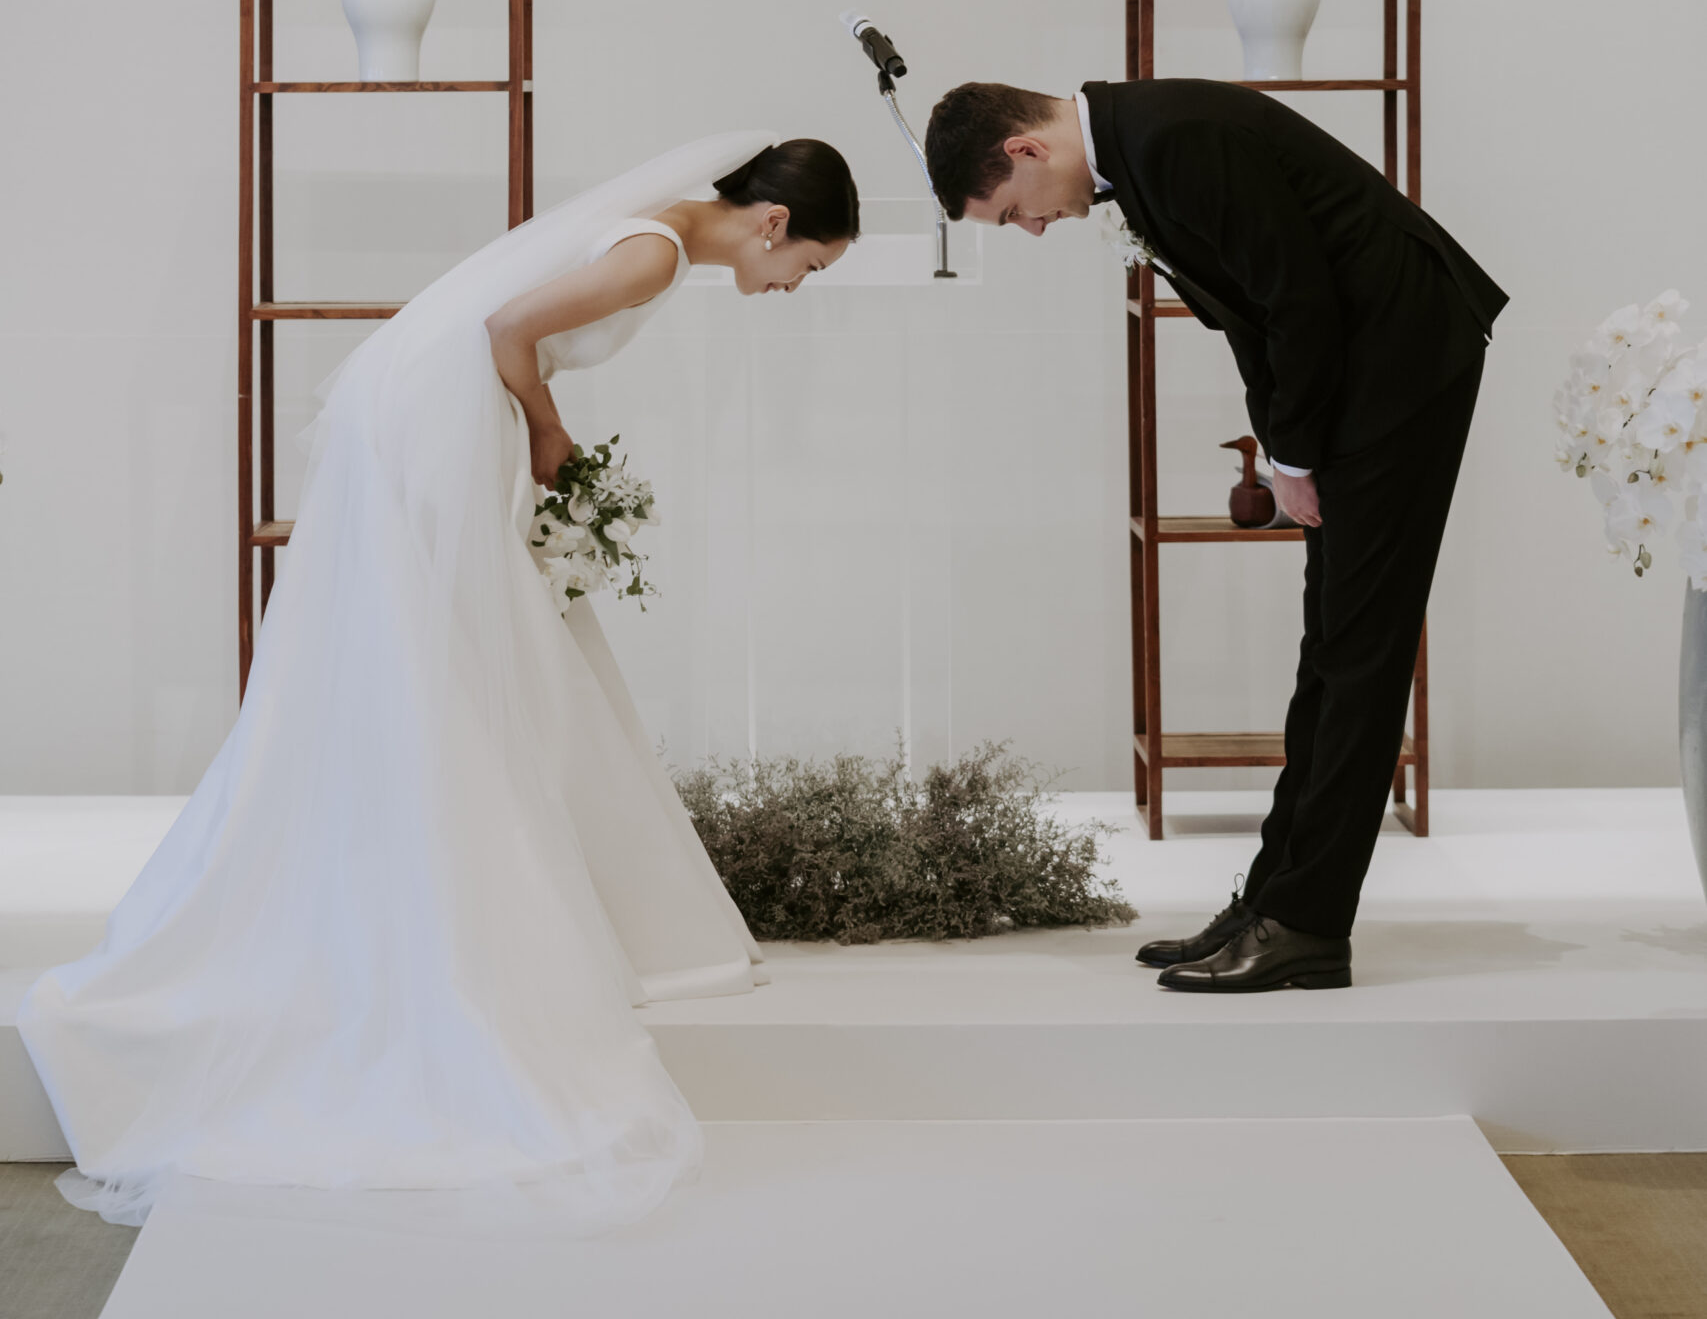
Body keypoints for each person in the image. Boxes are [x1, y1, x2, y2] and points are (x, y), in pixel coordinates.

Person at [24, 133, 858, 1229]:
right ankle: (447, 894)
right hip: (442, 417)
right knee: (448, 655)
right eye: (811, 266)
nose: (794, 287)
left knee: (440, 653)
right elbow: (505, 327)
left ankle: (427, 856)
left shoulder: (659, 237)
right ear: (773, 223)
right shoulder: (656, 253)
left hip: (439, 411)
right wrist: (551, 429)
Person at [925, 77, 1503, 995]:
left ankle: (1308, 925)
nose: (1031, 229)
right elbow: (1249, 316)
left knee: (1360, 649)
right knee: (1331, 646)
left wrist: (1295, 450)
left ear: (1026, 152)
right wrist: (1284, 451)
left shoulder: (1172, 138)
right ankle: (1274, 898)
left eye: (1009, 215)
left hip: (1401, 356)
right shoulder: (1136, 149)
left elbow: (1297, 299)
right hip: (1360, 366)